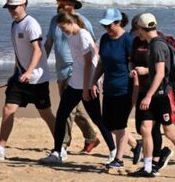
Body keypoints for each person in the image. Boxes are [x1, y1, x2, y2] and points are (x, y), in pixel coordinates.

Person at [0, 0, 56, 161]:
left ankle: (60, 147)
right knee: (8, 109)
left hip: (37, 78)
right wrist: (15, 73)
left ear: (24, 5)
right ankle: (0, 148)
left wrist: (29, 72)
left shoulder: (31, 24)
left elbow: (37, 50)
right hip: (20, 78)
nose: (11, 10)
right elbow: (19, 53)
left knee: (46, 114)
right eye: (9, 7)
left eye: (14, 7)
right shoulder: (14, 25)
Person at [39, 12, 117, 166]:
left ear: (70, 22)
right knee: (61, 115)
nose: (62, 31)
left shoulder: (83, 35)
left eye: (63, 27)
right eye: (60, 28)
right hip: (75, 83)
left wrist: (88, 87)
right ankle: (57, 152)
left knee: (97, 119)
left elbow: (89, 63)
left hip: (86, 84)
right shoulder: (70, 35)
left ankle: (114, 151)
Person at [130, 13, 175, 178]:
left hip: (160, 95)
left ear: (141, 28)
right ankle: (147, 168)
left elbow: (160, 74)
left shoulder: (157, 45)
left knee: (169, 131)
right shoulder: (151, 43)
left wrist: (148, 96)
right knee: (145, 129)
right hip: (151, 93)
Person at [45, 0, 100, 154]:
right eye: (58, 2)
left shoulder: (83, 22)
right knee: (73, 108)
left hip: (75, 70)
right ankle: (91, 137)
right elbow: (48, 43)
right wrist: (41, 64)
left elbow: (93, 47)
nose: (59, 5)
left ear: (71, 5)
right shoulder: (54, 21)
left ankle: (63, 144)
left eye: (62, 2)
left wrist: (95, 75)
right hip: (60, 70)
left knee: (67, 109)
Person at [91, 8, 136, 168]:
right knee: (108, 125)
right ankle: (136, 146)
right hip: (109, 88)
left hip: (125, 89)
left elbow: (133, 65)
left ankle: (119, 159)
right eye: (105, 26)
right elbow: (102, 63)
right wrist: (93, 81)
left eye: (110, 25)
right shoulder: (104, 39)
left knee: (120, 124)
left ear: (118, 22)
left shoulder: (128, 40)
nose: (107, 29)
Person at [129, 14, 166, 169]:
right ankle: (152, 159)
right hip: (140, 88)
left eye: (138, 30)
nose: (138, 34)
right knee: (141, 127)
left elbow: (162, 70)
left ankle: (155, 159)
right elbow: (131, 60)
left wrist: (146, 70)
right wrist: (132, 70)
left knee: (153, 127)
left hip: (157, 90)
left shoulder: (158, 42)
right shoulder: (136, 41)